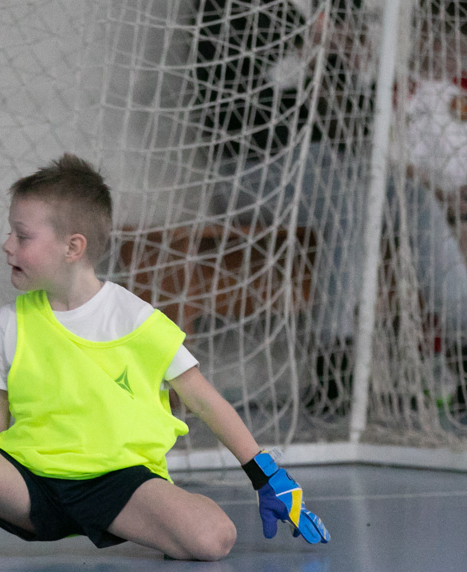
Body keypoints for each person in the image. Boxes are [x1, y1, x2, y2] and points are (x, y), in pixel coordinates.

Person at [0, 154, 329, 572]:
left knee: (215, 537)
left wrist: (266, 475)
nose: (7, 245)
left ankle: (138, 529)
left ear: (73, 247)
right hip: (28, 485)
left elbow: (205, 400)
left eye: (22, 235)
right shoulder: (9, 322)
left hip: (119, 484)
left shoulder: (136, 318)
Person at [191, 0, 467, 417]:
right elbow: (234, 98)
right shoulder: (236, 7)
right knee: (347, 203)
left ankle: (463, 343)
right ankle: (334, 367)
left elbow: (353, 123)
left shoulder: (340, 7)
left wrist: (359, 71)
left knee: (416, 201)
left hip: (331, 165)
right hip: (251, 170)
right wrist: (306, 47)